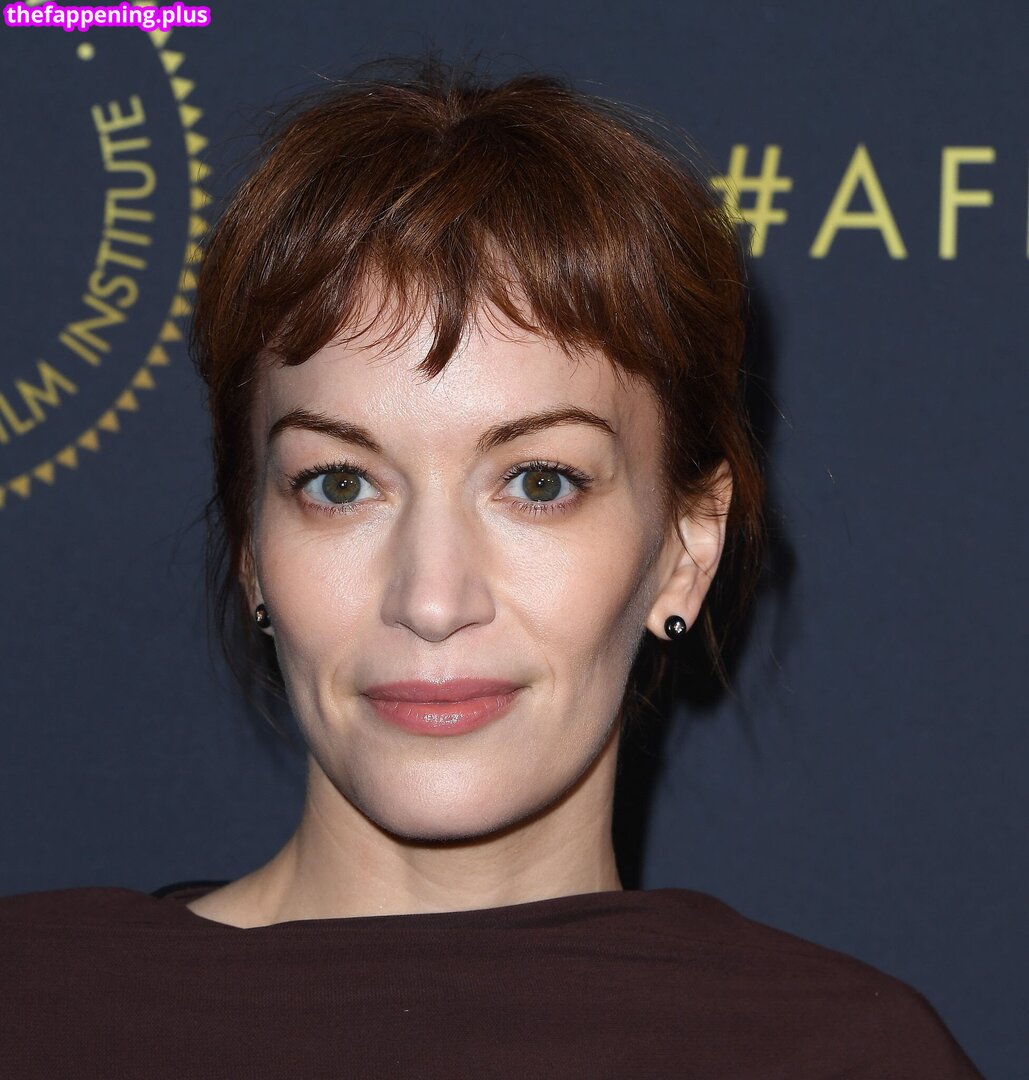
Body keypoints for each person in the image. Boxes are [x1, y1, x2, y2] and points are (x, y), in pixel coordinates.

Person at [1, 55, 983, 1078]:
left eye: (539, 482)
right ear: (253, 550)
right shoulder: (31, 1009)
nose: (432, 600)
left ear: (686, 549)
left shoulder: (842, 1056)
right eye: (340, 484)